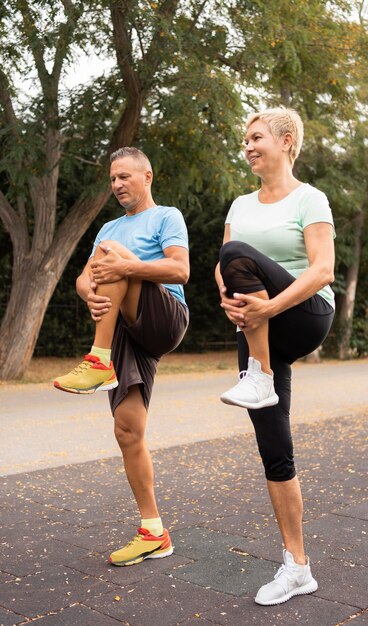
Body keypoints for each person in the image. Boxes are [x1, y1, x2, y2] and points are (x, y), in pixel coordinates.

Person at [215, 106, 335, 605]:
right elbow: (223, 272)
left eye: (256, 136)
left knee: (237, 253)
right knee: (275, 450)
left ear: (286, 141)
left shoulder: (311, 199)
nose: (248, 145)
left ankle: (259, 374)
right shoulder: (240, 204)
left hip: (304, 312)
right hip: (258, 324)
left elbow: (323, 269)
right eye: (245, 139)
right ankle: (297, 567)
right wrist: (231, 304)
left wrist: (266, 308)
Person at [54, 147, 189, 566]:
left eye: (125, 177)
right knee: (127, 430)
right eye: (113, 179)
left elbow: (180, 271)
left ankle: (97, 359)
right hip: (126, 330)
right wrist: (89, 294)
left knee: (114, 257)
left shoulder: (167, 216)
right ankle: (153, 532)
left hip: (164, 316)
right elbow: (82, 277)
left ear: (147, 176)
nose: (117, 185)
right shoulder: (108, 226)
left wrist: (124, 269)